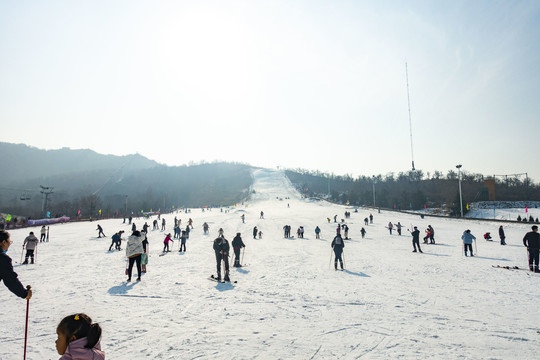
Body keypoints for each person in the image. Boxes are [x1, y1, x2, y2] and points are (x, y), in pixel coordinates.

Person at [0, 230, 32, 299]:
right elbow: (10, 280)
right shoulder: (3, 259)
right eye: (9, 242)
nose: (9, 244)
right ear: (3, 242)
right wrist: (24, 294)